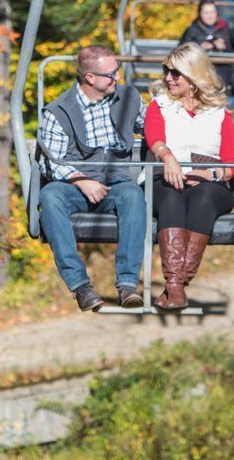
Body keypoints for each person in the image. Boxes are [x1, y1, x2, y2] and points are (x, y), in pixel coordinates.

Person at [37, 45, 148, 312]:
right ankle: (80, 286)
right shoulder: (59, 111)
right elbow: (49, 160)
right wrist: (80, 180)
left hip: (116, 184)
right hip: (75, 186)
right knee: (50, 196)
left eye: (117, 71)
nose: (117, 78)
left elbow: (153, 127)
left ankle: (128, 284)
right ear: (90, 78)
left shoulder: (129, 98)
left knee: (134, 196)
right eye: (111, 74)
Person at [144, 43, 234, 311]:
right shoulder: (160, 105)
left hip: (209, 182)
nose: (167, 78)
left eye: (175, 73)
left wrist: (208, 173)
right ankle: (176, 286)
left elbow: (232, 160)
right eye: (166, 71)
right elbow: (154, 136)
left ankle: (176, 285)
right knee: (171, 195)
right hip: (167, 176)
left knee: (204, 195)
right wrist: (167, 157)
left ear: (194, 75)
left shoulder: (219, 112)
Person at [180, 0, 234, 86]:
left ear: (216, 13)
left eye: (212, 12)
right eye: (206, 13)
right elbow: (181, 50)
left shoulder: (224, 29)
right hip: (198, 67)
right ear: (200, 14)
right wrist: (199, 47)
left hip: (221, 68)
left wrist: (224, 47)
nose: (210, 16)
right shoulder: (192, 30)